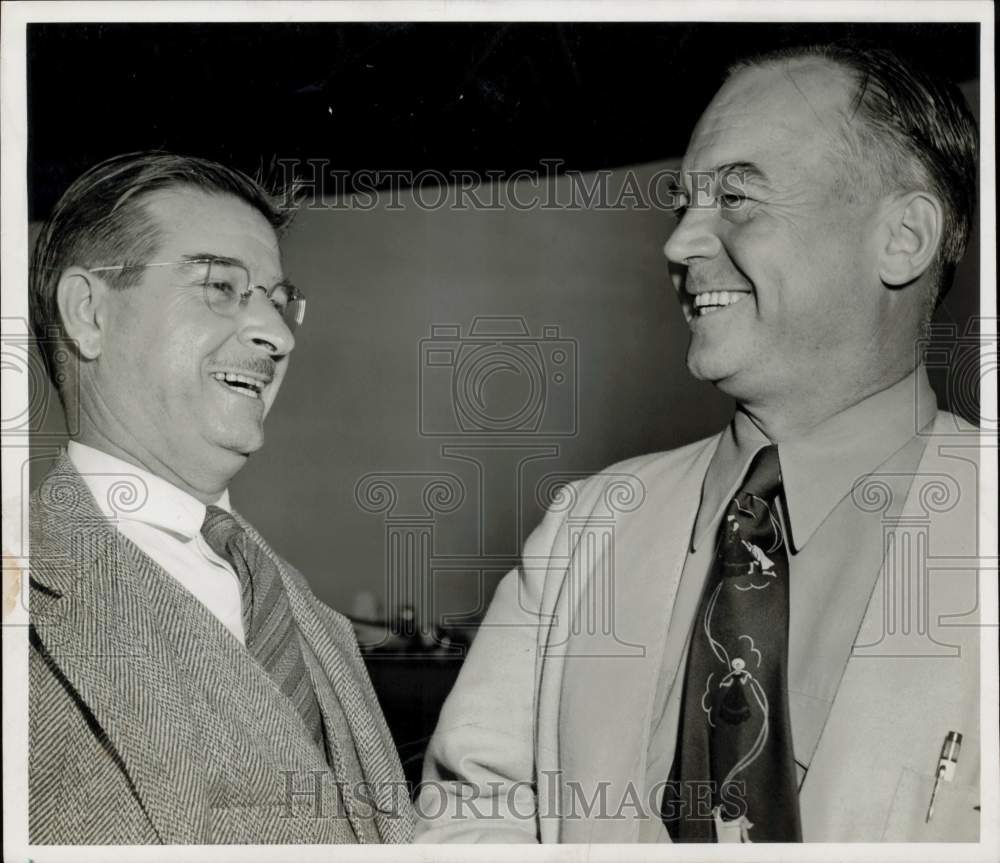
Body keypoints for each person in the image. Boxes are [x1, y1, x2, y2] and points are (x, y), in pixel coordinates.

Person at [417, 43, 982, 843]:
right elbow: (470, 814)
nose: (680, 244)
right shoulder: (585, 528)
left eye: (737, 198)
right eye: (683, 204)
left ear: (903, 237)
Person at [28, 153, 413, 844]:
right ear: (89, 313)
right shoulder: (21, 599)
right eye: (222, 287)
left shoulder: (309, 616)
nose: (280, 335)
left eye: (276, 297)